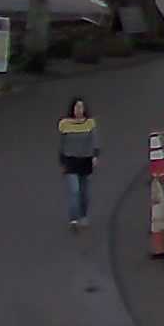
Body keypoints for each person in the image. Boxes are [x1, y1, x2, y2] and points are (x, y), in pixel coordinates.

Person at [56, 97, 100, 228]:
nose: (78, 110)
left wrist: (95, 156)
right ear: (72, 109)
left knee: (84, 192)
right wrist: (62, 162)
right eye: (76, 107)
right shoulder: (64, 124)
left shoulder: (90, 123)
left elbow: (94, 141)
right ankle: (73, 219)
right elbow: (62, 144)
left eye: (81, 107)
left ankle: (83, 215)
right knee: (74, 190)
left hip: (85, 161)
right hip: (71, 161)